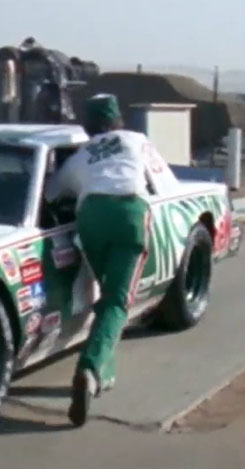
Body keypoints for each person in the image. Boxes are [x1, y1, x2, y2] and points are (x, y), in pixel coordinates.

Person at [44, 94, 156, 427]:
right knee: (118, 302)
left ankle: (105, 374)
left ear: (88, 125)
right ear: (118, 119)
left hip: (90, 216)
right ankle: (90, 370)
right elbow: (156, 177)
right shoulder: (136, 140)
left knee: (106, 295)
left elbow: (50, 193)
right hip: (129, 213)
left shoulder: (79, 157)